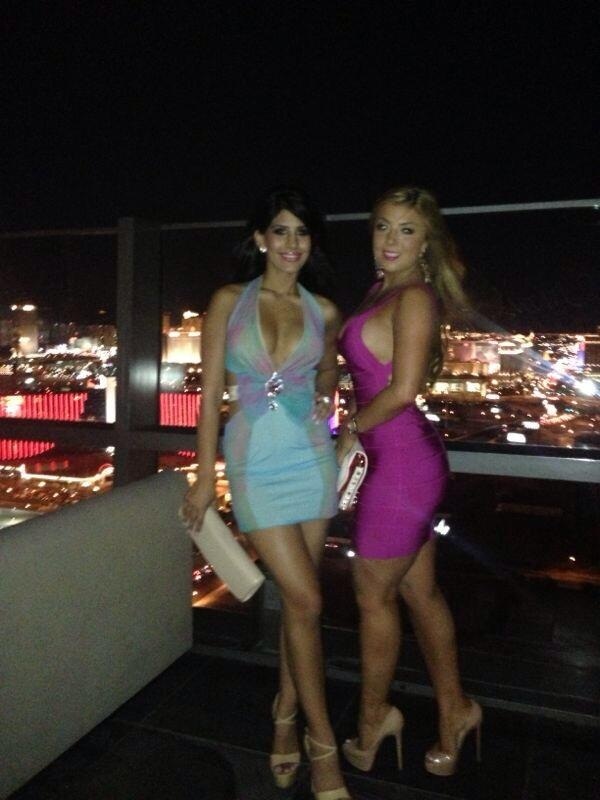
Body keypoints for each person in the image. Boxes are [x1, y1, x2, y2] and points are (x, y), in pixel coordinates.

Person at [182, 187, 351, 800]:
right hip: (253, 462)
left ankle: (285, 713)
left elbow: (329, 373)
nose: (291, 243)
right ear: (260, 238)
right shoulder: (229, 301)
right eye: (280, 231)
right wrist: (206, 478)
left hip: (311, 459)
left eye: (302, 233)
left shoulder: (323, 311)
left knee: (298, 606)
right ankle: (323, 747)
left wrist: (331, 402)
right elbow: (208, 397)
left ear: (312, 242)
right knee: (306, 598)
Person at [337, 186, 482, 777]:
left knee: (372, 596)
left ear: (427, 244)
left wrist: (349, 430)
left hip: (400, 465)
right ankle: (456, 711)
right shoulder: (383, 289)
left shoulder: (415, 296)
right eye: (382, 226)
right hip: (395, 460)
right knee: (420, 593)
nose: (390, 240)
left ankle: (373, 721)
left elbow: (402, 391)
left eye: (406, 230)